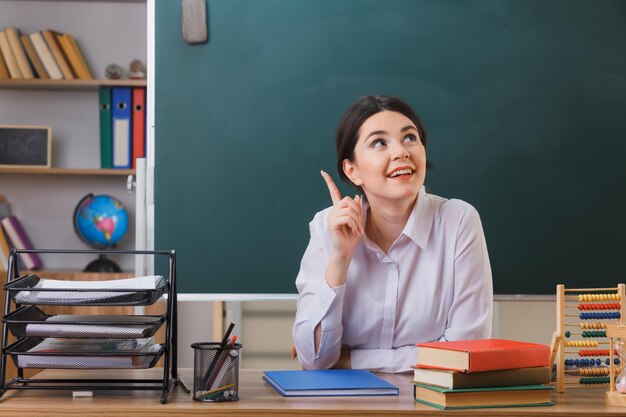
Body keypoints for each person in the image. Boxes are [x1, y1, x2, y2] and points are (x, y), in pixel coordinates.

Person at [291, 94, 493, 373]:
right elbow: (314, 360)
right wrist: (340, 257)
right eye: (379, 142)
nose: (401, 152)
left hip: (430, 403)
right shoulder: (328, 226)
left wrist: (349, 361)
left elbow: (464, 353)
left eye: (410, 138)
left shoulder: (458, 221)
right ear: (352, 171)